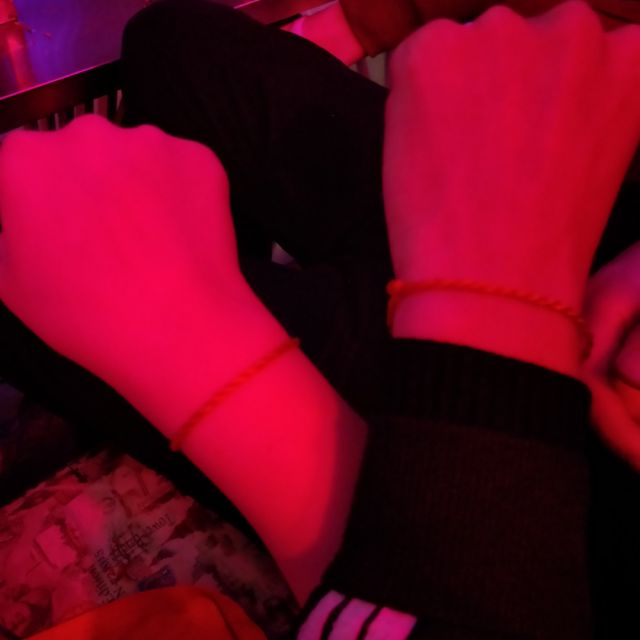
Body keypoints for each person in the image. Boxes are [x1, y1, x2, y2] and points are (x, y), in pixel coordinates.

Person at [2, 2, 640, 638]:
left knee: (29, 254)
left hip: (534, 496)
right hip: (591, 265)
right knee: (174, 42)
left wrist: (202, 338)